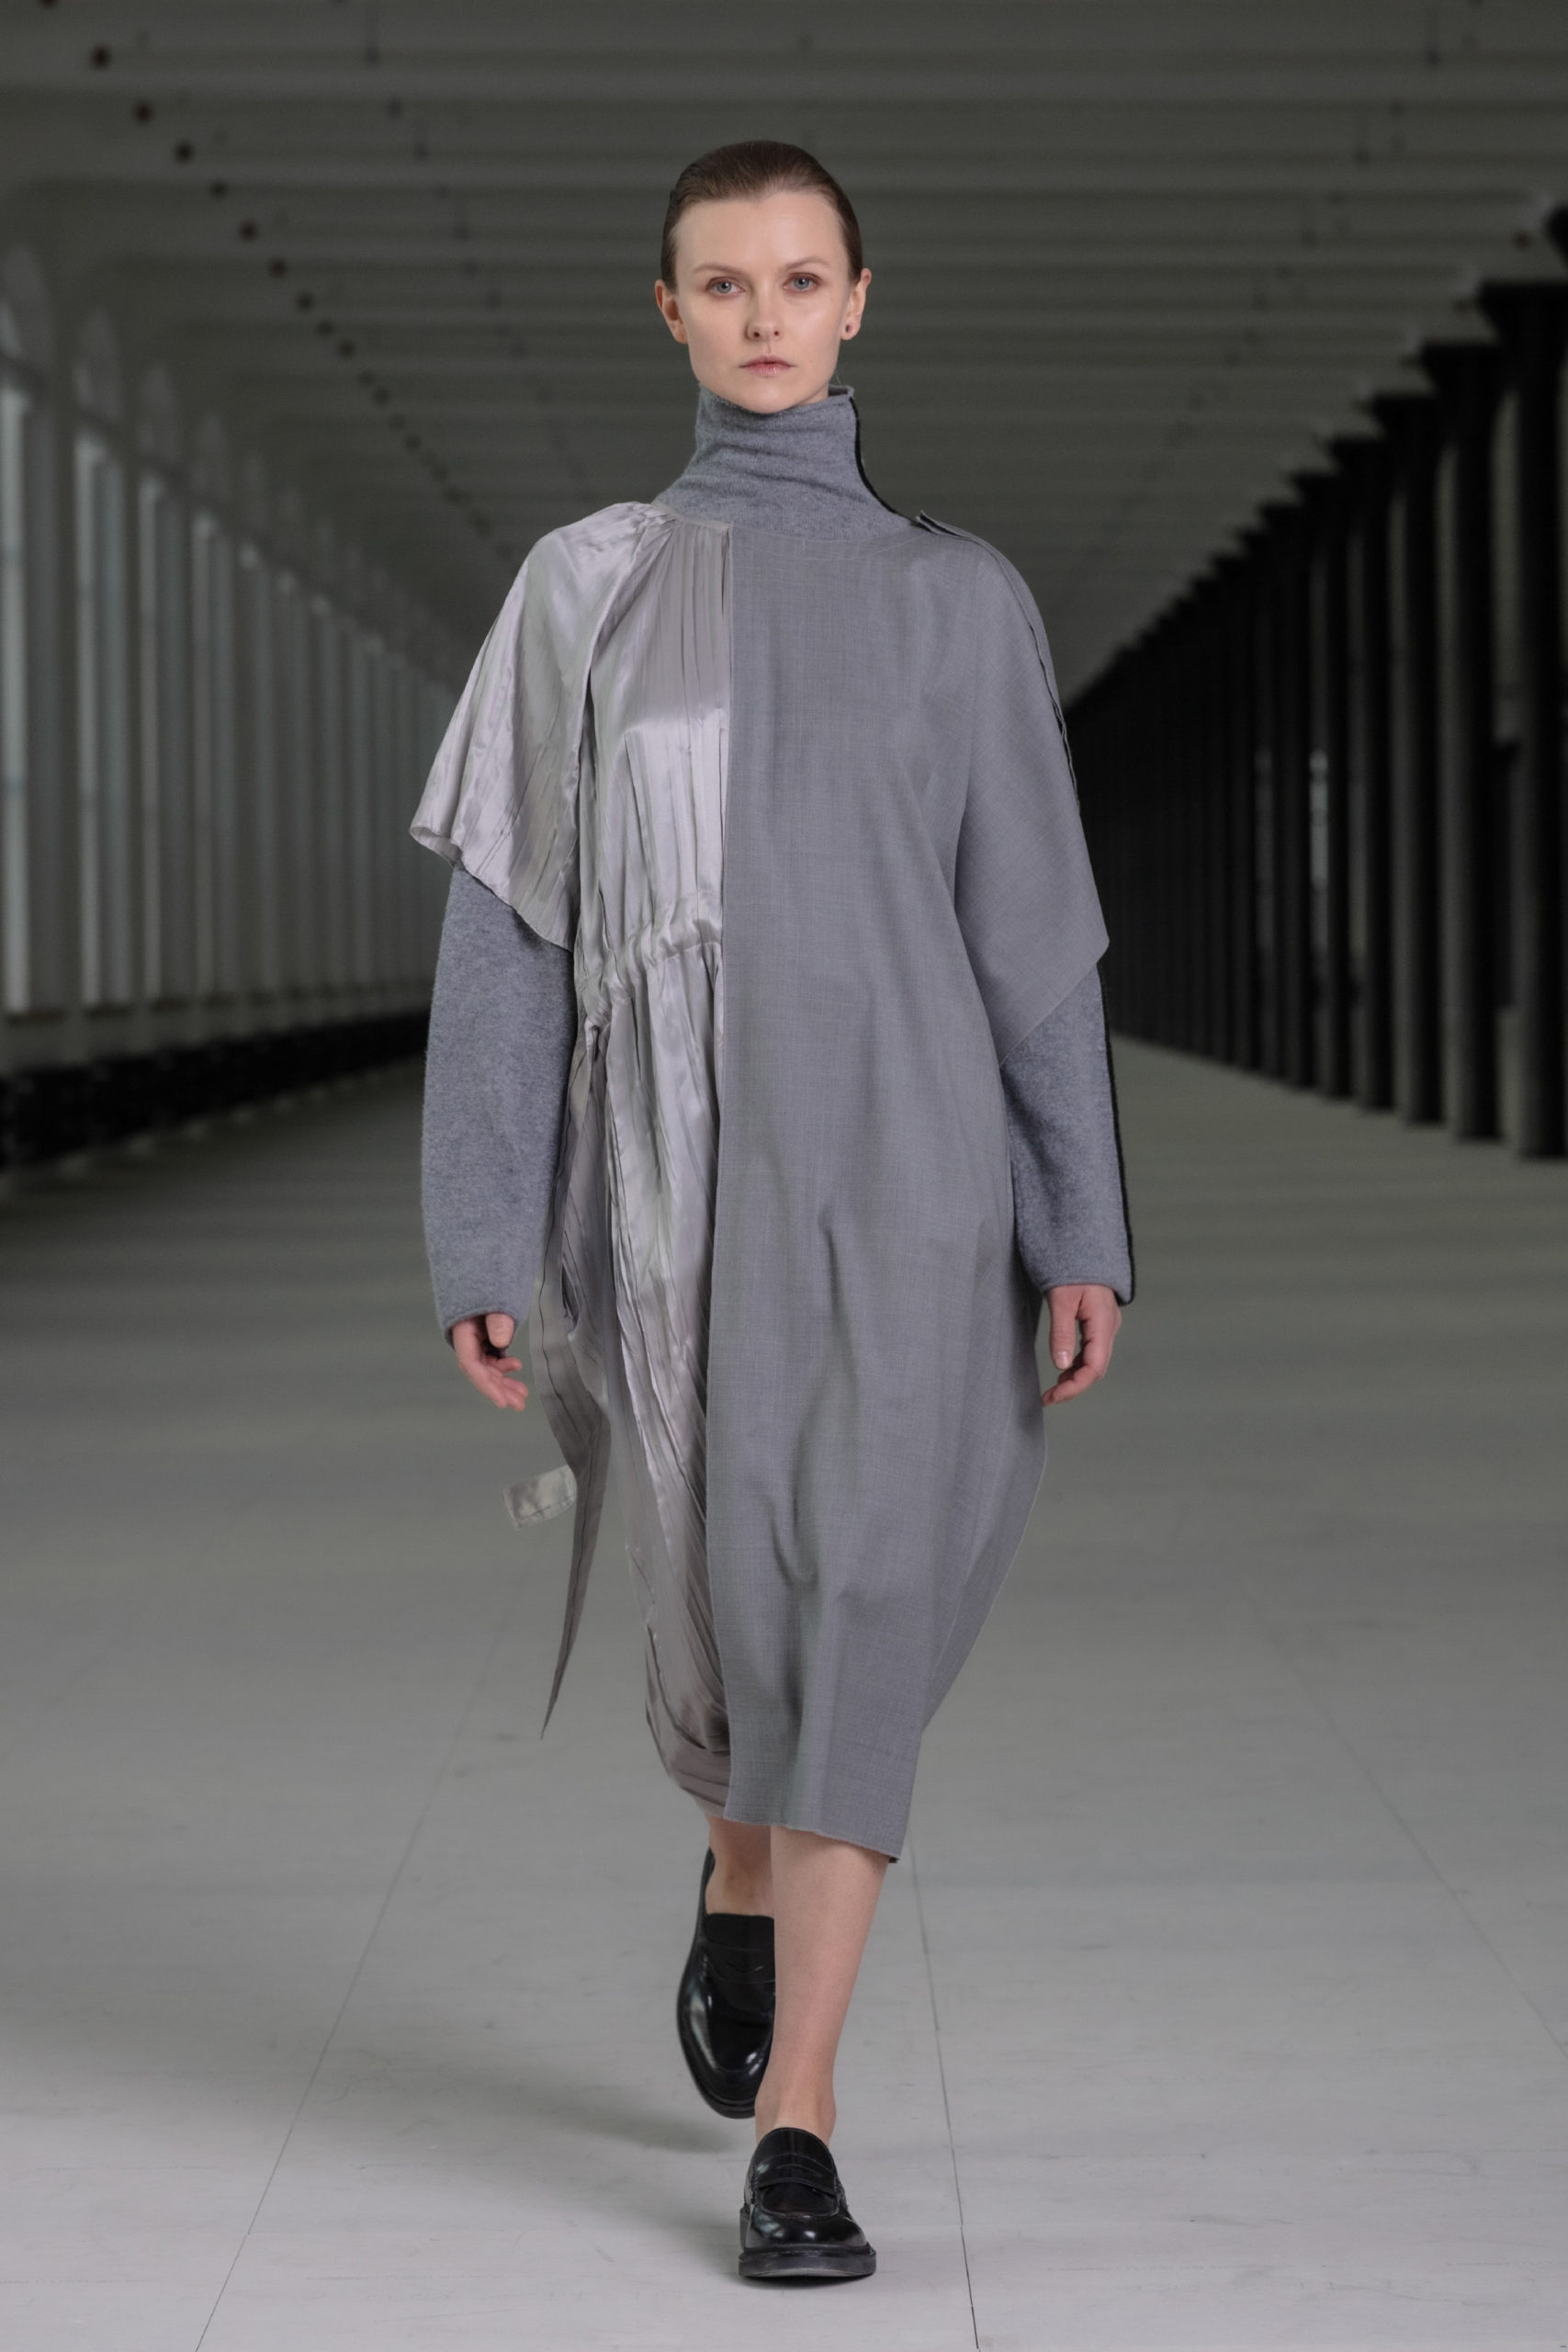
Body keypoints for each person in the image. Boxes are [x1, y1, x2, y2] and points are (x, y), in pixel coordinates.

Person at [412, 139, 1132, 2285]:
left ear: (855, 300)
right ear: (668, 311)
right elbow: (507, 935)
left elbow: (1032, 941)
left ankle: (796, 2122)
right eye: (720, 282)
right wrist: (477, 1227)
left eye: (797, 278)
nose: (761, 316)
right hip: (666, 1197)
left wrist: (1078, 1215)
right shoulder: (582, 588)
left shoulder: (958, 600)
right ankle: (734, 1865)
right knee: (729, 1599)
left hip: (914, 1183)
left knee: (862, 1606)